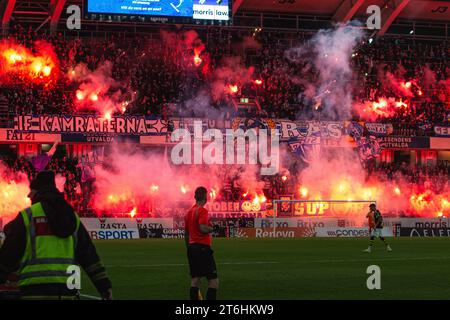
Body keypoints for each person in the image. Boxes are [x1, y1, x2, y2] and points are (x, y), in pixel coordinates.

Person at [0, 171, 113, 299]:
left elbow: (8, 255)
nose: (28, 195)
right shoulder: (72, 217)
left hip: (35, 291)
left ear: (37, 192)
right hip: (68, 291)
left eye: (31, 191)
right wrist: (104, 287)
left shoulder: (28, 216)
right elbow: (89, 256)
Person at [184, 186, 218, 300]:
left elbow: (186, 234)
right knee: (213, 282)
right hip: (202, 248)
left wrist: (188, 248)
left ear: (195, 197)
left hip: (192, 248)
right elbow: (202, 228)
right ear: (205, 197)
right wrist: (213, 229)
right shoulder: (202, 211)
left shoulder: (189, 212)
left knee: (195, 280)